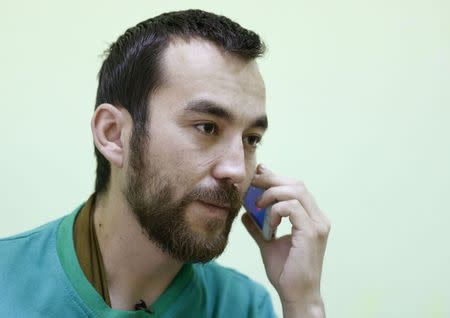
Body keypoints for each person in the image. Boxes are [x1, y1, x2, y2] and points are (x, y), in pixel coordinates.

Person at [0, 9, 330, 318]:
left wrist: (304, 302)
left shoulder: (242, 306)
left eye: (251, 139)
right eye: (207, 127)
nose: (237, 171)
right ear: (114, 135)